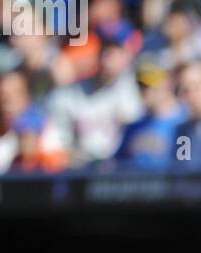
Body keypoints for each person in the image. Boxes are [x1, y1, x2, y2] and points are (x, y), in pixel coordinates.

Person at [45, 21, 143, 164]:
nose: (109, 56)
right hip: (81, 170)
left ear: (127, 53)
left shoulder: (134, 90)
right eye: (105, 49)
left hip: (121, 171)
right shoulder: (70, 93)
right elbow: (57, 142)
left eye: (116, 50)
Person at [114, 57, 185, 167]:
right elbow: (116, 164)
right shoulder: (134, 126)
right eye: (141, 85)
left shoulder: (185, 122)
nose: (145, 91)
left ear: (168, 84)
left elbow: (188, 168)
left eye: (150, 85)